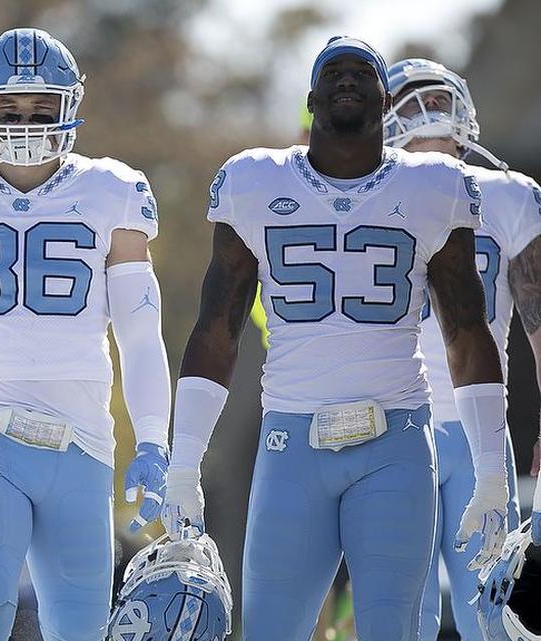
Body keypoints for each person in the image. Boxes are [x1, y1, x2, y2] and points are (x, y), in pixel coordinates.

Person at [162, 37, 509, 640]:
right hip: (291, 440)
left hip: (396, 441)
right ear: (311, 98)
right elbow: (216, 333)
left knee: (391, 630)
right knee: (271, 628)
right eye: (333, 72)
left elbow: (466, 334)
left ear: (383, 98)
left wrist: (491, 468)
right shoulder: (254, 181)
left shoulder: (433, 186)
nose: (347, 79)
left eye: (360, 73)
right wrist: (184, 461)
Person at [0, 28, 173, 641]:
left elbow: (140, 331)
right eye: (9, 108)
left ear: (70, 106)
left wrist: (155, 441)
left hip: (81, 440)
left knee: (80, 627)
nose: (24, 122)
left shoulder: (113, 190)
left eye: (39, 108)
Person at [380, 57, 541, 641]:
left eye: (442, 102)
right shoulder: (360, 199)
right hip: (393, 428)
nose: (433, 116)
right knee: (401, 616)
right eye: (416, 104)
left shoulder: (510, 197)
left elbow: (538, 321)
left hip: (479, 433)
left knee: (496, 617)